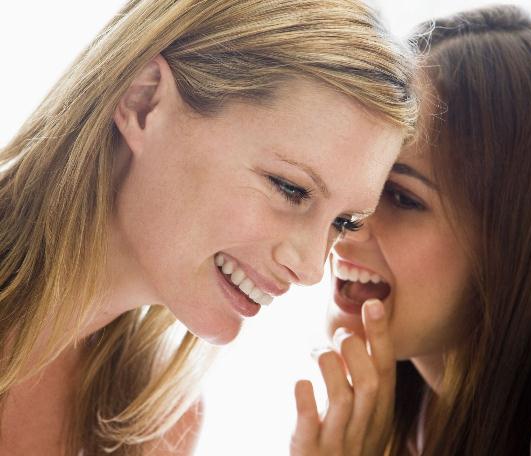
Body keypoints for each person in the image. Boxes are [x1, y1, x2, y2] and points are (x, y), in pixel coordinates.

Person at [0, 0, 418, 454]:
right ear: (143, 102)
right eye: (289, 188)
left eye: (342, 222)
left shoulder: (154, 428)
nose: (311, 270)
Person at [291, 5, 531, 456]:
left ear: (518, 243)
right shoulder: (403, 411)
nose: (347, 225)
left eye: (403, 197)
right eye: (365, 182)